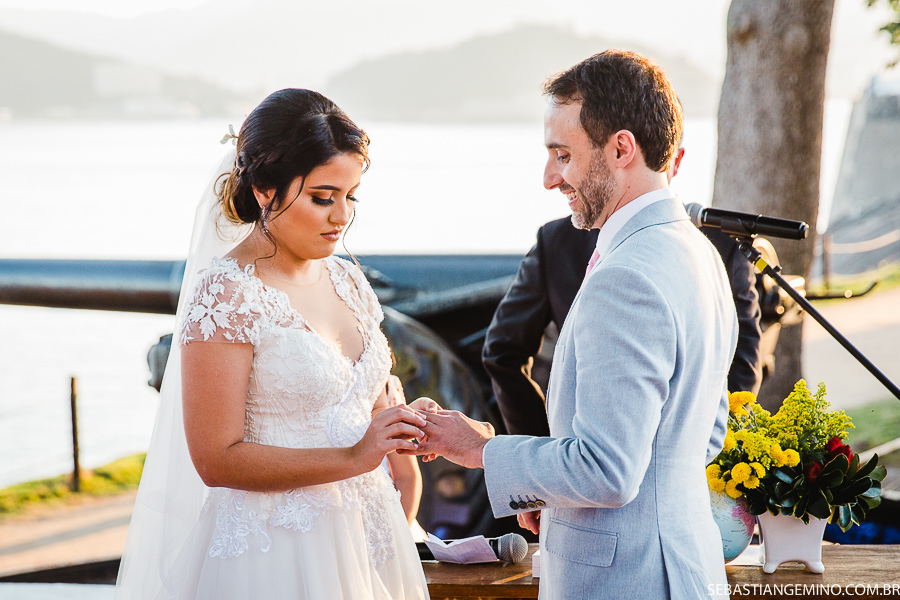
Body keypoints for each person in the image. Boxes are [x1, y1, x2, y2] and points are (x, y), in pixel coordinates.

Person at [406, 51, 736, 599]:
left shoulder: (626, 276)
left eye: (562, 155)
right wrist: (553, 490)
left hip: (626, 580)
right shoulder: (698, 253)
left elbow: (608, 472)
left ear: (621, 148)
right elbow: (707, 432)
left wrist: (480, 450)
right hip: (684, 565)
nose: (548, 177)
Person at [116, 89, 432, 600]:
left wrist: (408, 429)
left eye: (351, 197)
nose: (341, 217)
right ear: (264, 189)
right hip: (275, 554)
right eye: (323, 198)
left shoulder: (350, 282)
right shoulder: (227, 295)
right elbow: (216, 459)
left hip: (372, 541)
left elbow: (368, 415)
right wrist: (356, 455)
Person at [483, 143, 762, 438]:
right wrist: (540, 449)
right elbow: (503, 350)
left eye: (564, 156)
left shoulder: (723, 244)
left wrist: (717, 445)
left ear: (677, 161)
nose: (551, 178)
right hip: (585, 453)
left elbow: (743, 352)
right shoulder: (555, 242)